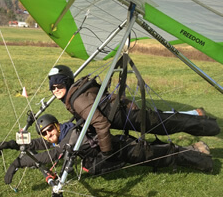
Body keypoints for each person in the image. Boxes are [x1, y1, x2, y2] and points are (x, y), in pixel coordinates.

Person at [48, 65, 220, 154]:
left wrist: (106, 151)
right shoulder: (75, 95)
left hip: (129, 116)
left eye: (59, 84)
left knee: (168, 124)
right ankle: (202, 119)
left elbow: (101, 123)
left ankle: (213, 127)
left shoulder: (76, 99)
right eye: (52, 87)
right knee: (166, 121)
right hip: (125, 114)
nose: (56, 89)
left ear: (68, 82)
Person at [0, 114, 213, 184]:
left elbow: (51, 154)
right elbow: (41, 145)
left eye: (50, 130)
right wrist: (13, 144)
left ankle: (203, 161)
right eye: (44, 133)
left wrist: (18, 163)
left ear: (57, 125)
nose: (48, 135)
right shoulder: (60, 135)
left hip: (123, 149)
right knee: (158, 152)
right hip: (116, 151)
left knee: (161, 157)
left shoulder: (70, 136)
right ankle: (195, 147)